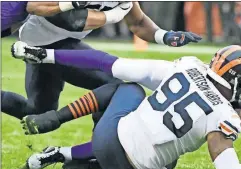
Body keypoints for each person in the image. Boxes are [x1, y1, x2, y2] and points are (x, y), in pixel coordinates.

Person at [13, 43, 241, 169]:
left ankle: (59, 127)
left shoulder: (186, 66)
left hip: (107, 139)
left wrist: (48, 55)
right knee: (167, 160)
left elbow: (108, 63)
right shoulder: (226, 118)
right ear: (240, 83)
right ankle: (68, 154)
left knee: (130, 87)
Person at [2, 1, 202, 129]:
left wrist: (165, 36)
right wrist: (110, 16)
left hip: (48, 44)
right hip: (42, 42)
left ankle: (94, 150)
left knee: (37, 111)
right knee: (114, 88)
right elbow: (70, 19)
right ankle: (98, 152)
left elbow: (138, 22)